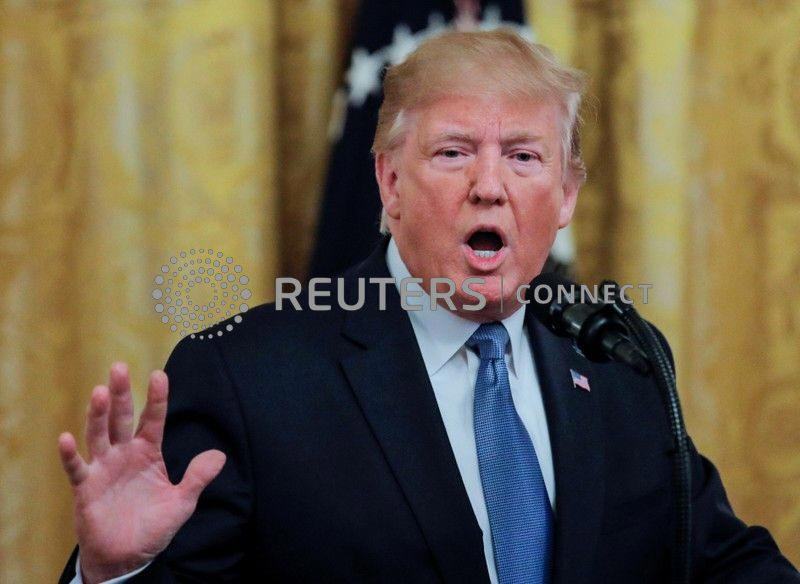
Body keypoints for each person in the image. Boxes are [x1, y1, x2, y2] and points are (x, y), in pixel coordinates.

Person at [58, 29, 798, 583]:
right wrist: (114, 573)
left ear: (567, 196)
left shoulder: (620, 359)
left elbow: (721, 562)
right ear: (389, 182)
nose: (489, 187)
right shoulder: (248, 376)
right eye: (453, 152)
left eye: (523, 156)